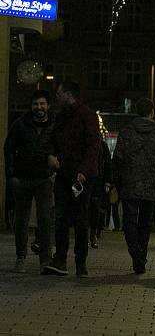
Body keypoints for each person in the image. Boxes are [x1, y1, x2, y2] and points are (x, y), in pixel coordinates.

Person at [45, 80, 101, 277]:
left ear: (69, 94)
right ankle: (60, 259)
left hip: (81, 176)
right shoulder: (61, 117)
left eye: (59, 93)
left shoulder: (87, 116)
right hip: (64, 173)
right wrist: (51, 155)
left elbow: (93, 146)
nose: (57, 97)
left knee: (80, 218)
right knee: (60, 217)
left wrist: (84, 171)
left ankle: (80, 262)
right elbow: (50, 140)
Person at [113, 98, 155, 274]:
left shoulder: (126, 132)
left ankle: (135, 252)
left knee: (130, 221)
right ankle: (141, 256)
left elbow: (117, 159)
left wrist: (118, 181)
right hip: (151, 185)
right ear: (152, 112)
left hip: (130, 184)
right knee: (145, 223)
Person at [5, 90, 56, 274]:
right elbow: (9, 149)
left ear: (48, 105)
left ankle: (46, 259)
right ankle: (21, 256)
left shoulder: (54, 125)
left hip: (44, 177)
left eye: (42, 104)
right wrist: (11, 176)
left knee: (45, 220)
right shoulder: (20, 125)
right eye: (36, 104)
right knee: (21, 220)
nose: (39, 107)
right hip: (23, 177)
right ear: (31, 106)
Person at [89, 138, 112, 249]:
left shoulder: (101, 146)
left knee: (95, 208)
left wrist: (107, 181)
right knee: (92, 208)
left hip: (96, 181)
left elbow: (107, 163)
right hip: (92, 179)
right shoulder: (100, 145)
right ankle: (92, 232)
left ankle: (94, 232)